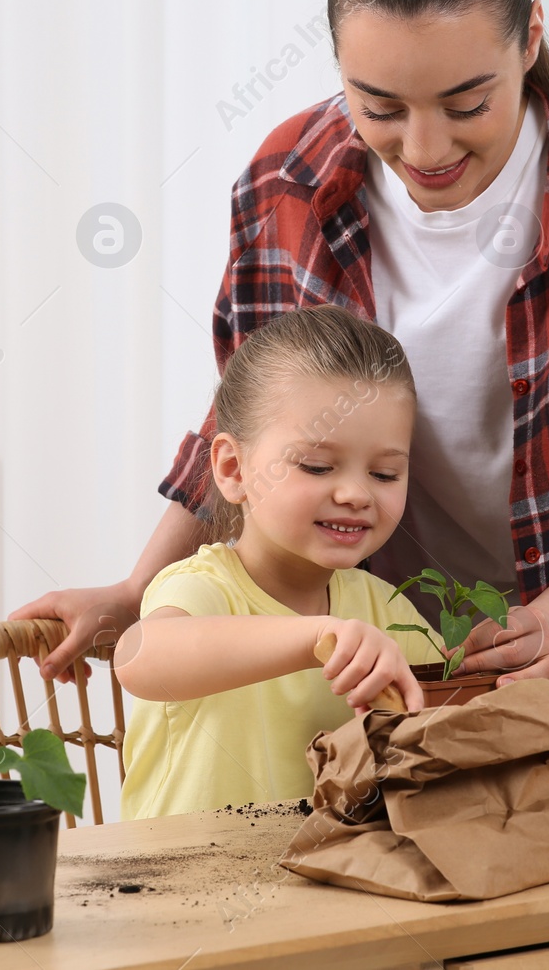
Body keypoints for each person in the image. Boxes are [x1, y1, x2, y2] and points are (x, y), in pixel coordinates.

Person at [13, 0, 549, 749]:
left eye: (466, 102)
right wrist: (138, 587)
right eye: (382, 106)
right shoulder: (285, 187)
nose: (425, 146)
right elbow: (253, 421)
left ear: (531, 39)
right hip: (394, 667)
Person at [112, 305, 441, 818]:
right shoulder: (205, 588)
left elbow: (446, 716)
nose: (356, 493)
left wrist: (508, 676)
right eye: (316, 465)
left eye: (384, 474)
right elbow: (140, 659)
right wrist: (315, 637)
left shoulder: (383, 608)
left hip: (323, 885)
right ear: (232, 468)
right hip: (177, 885)